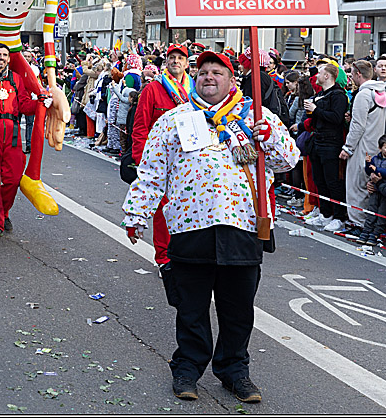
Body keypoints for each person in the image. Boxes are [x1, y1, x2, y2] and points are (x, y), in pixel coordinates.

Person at [122, 51, 299, 404]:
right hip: (190, 227)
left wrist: (270, 139)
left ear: (232, 80)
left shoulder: (257, 117)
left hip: (243, 226)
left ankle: (235, 371)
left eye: (218, 72)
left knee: (238, 309)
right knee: (191, 306)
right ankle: (187, 367)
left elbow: (288, 161)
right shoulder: (174, 120)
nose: (209, 77)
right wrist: (136, 214)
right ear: (195, 77)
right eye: (203, 72)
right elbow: (153, 171)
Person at [130, 43, 193, 266]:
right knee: (163, 212)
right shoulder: (153, 90)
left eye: (180, 58)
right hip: (161, 162)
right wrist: (141, 159)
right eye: (172, 58)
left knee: (189, 209)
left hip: (190, 161)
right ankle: (164, 258)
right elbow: (140, 127)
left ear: (186, 63)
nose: (176, 61)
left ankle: (185, 254)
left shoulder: (195, 90)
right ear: (166, 62)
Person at [0, 43, 39, 239]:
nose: (1, 58)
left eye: (5, 55)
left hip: (12, 134)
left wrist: (42, 102)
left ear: (9, 59)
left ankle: (3, 211)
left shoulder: (16, 79)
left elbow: (25, 105)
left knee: (13, 178)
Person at [338, 60, 386, 229]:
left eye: (352, 73)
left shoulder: (363, 94)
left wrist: (347, 147)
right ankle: (364, 222)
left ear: (358, 74)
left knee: (356, 185)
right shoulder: (380, 90)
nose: (350, 77)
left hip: (361, 145)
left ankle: (358, 222)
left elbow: (358, 125)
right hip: (375, 144)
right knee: (367, 186)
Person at [303, 62, 349, 229]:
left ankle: (339, 216)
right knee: (319, 180)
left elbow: (337, 118)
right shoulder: (319, 94)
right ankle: (325, 213)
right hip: (317, 140)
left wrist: (316, 110)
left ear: (328, 76)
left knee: (332, 181)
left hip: (331, 143)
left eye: (320, 72)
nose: (316, 75)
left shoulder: (338, 95)